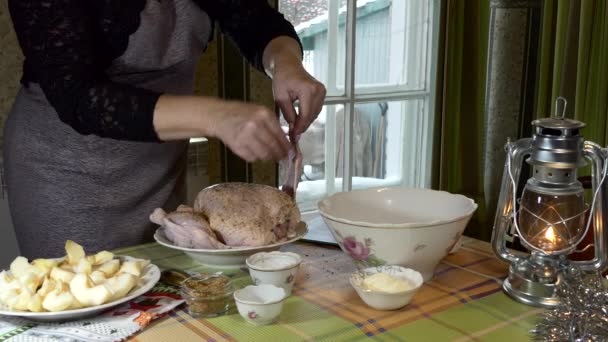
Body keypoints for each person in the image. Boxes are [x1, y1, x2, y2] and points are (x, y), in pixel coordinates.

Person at [4, 0, 326, 258]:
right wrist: (216, 116)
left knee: (158, 302)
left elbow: (255, 19)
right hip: (68, 171)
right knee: (87, 304)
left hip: (158, 167)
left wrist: (286, 64)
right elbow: (78, 96)